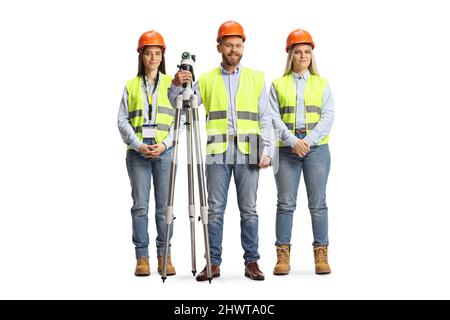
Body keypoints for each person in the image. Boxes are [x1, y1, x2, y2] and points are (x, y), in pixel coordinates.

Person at [169, 20, 273, 281]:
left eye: (238, 45)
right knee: (214, 210)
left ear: (242, 47)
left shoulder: (257, 77)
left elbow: (266, 118)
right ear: (219, 47)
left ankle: (252, 262)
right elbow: (181, 104)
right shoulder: (205, 79)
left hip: (250, 150)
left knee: (249, 209)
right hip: (217, 151)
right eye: (229, 45)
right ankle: (212, 263)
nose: (234, 50)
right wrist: (175, 84)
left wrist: (269, 150)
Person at [270, 28, 334, 275]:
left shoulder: (322, 83)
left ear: (311, 55)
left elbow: (327, 117)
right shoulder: (277, 84)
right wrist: (291, 141)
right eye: (298, 51)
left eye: (307, 51)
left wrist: (305, 141)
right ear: (290, 55)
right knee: (285, 204)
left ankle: (321, 253)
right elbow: (273, 118)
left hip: (316, 150)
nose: (303, 55)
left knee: (318, 204)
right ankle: (282, 256)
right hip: (286, 152)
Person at [118, 30, 176, 276]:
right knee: (140, 207)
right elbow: (122, 121)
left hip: (164, 153)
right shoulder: (131, 86)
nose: (153, 58)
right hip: (138, 154)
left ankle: (165, 255)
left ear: (163, 56)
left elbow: (180, 121)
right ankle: (142, 258)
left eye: (157, 53)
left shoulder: (174, 85)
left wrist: (164, 145)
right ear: (141, 56)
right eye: (148, 53)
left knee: (165, 208)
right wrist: (139, 145)